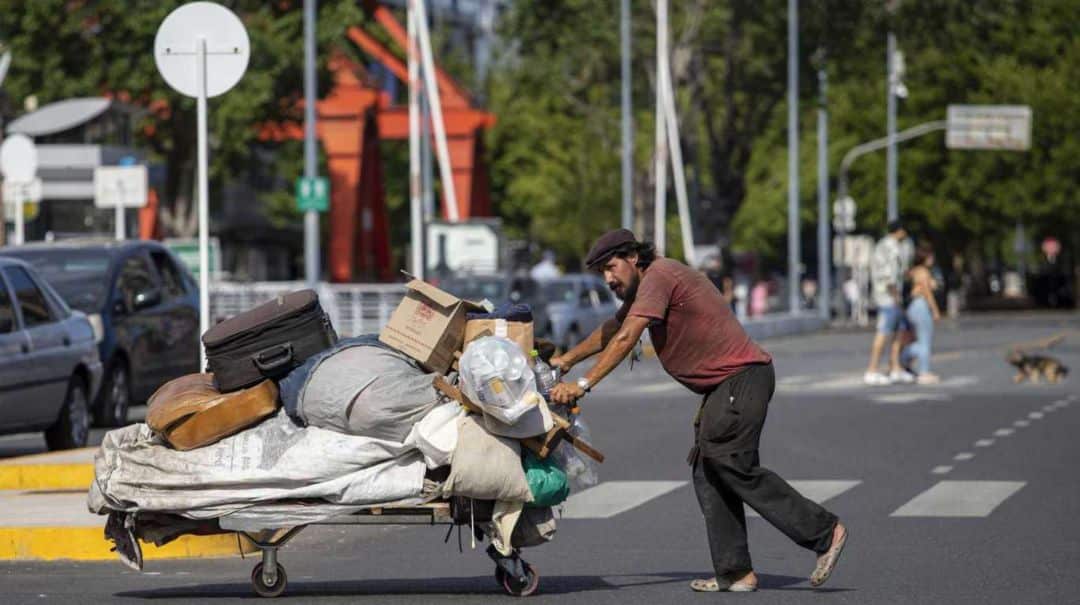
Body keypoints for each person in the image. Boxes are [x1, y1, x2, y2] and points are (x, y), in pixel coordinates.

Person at [547, 229, 848, 593]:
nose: (608, 279)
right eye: (602, 273)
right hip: (726, 388)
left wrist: (581, 384)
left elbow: (628, 338)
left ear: (632, 258)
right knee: (708, 469)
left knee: (730, 462)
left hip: (741, 380)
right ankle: (736, 572)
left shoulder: (658, 276)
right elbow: (614, 328)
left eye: (611, 267)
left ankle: (824, 531)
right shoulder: (647, 285)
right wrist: (566, 360)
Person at [865, 220, 915, 385]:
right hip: (888, 297)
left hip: (890, 296)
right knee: (884, 332)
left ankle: (896, 368)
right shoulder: (890, 248)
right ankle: (872, 370)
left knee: (898, 332)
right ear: (899, 231)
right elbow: (890, 277)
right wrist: (896, 297)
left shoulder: (888, 245)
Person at [902, 243, 942, 384]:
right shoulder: (923, 272)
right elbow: (926, 292)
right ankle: (923, 371)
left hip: (913, 307)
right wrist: (935, 310)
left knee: (919, 339)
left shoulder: (913, 271)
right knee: (925, 340)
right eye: (930, 256)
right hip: (921, 306)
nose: (932, 259)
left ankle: (903, 359)